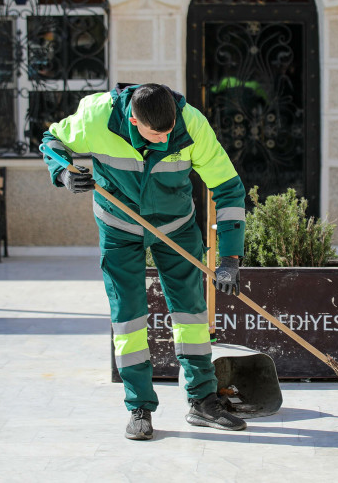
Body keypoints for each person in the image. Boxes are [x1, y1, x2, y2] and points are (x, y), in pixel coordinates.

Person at [41, 82, 248, 441]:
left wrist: (230, 257)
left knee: (191, 313)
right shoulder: (96, 116)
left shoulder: (190, 124)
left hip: (176, 225)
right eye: (157, 133)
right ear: (134, 121)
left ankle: (202, 401)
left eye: (170, 132)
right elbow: (52, 142)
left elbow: (228, 187)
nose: (167, 140)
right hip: (118, 226)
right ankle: (139, 407)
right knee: (129, 317)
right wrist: (64, 172)